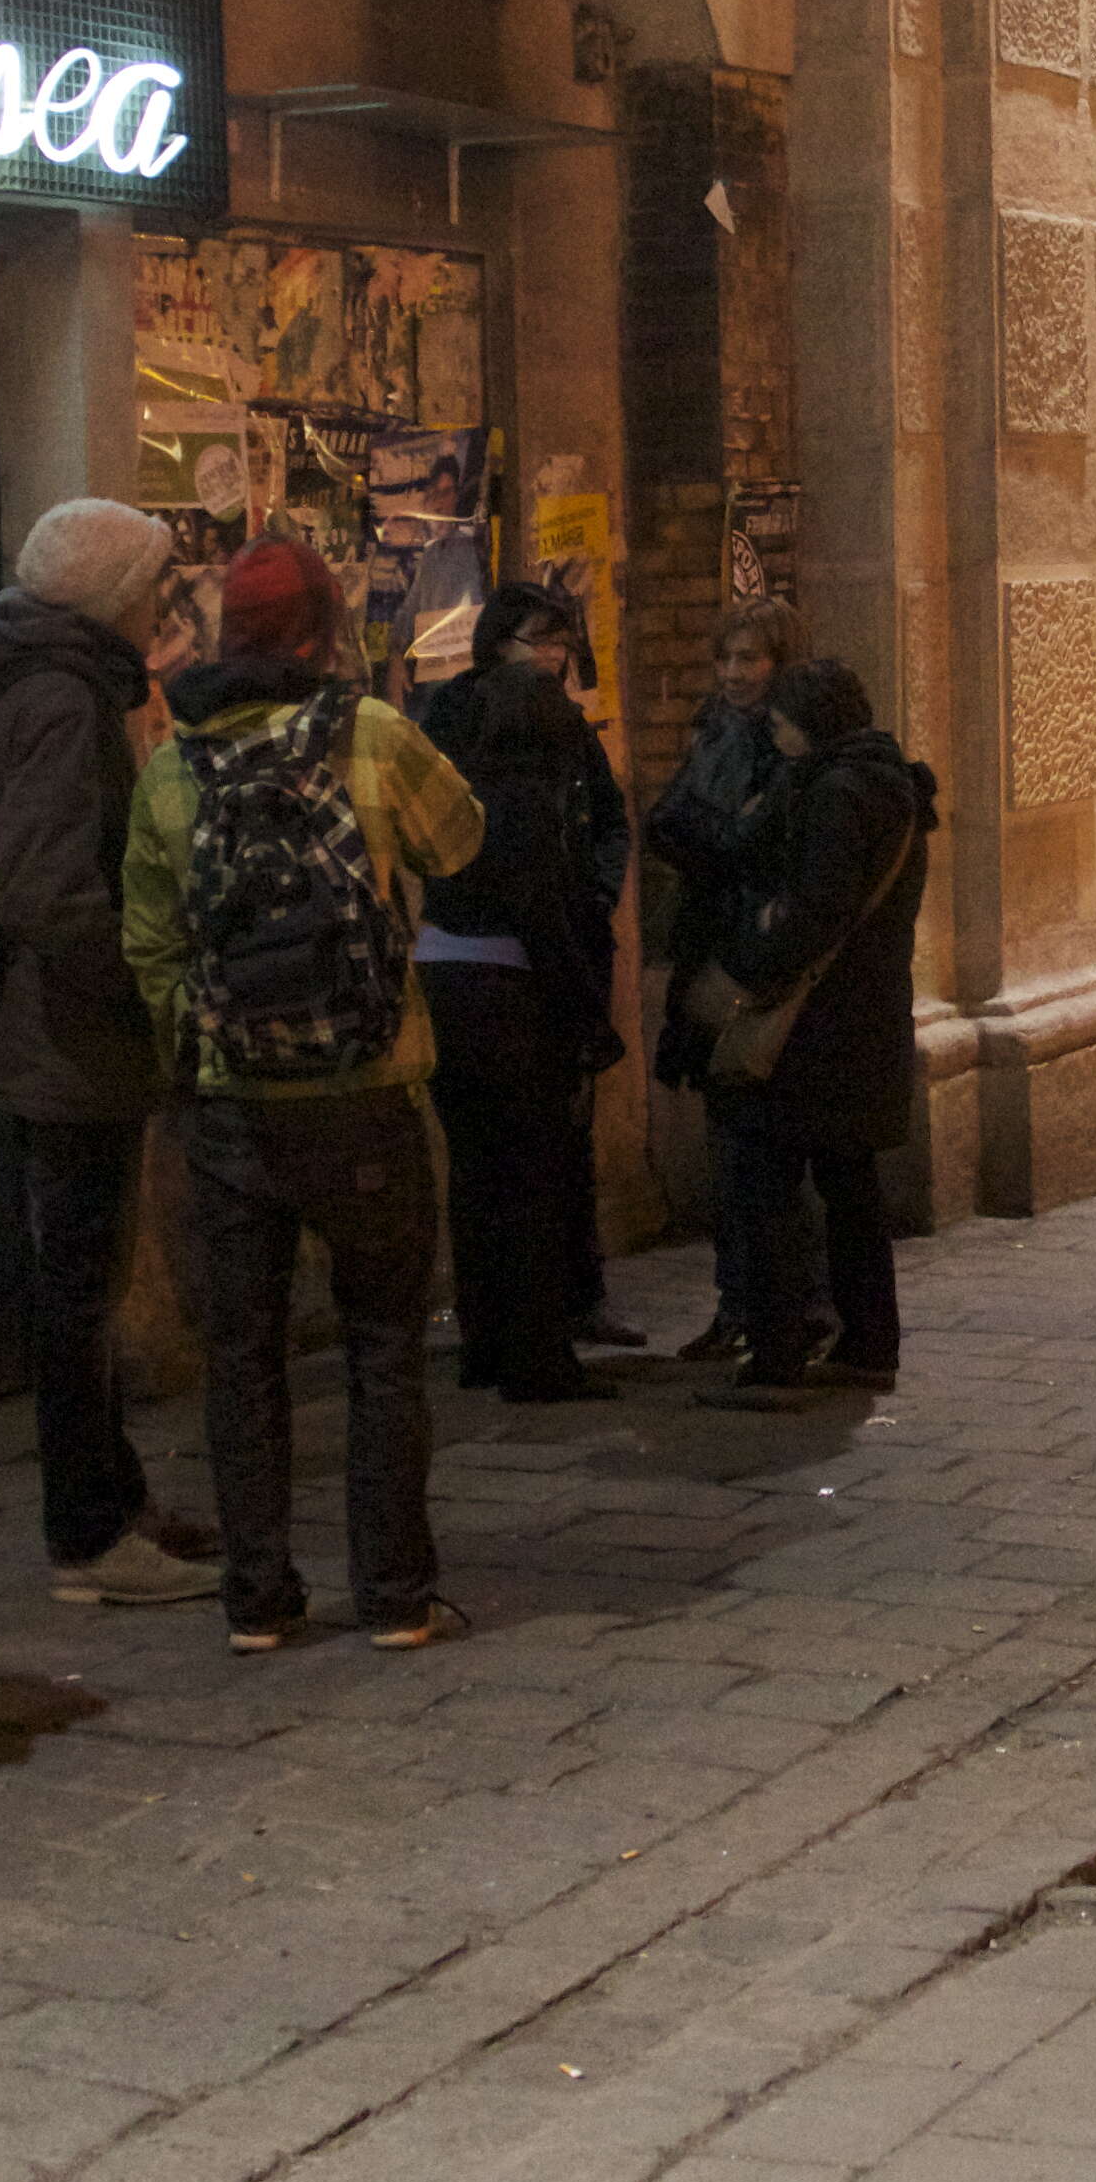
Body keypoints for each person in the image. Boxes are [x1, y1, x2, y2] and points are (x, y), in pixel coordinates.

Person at [122, 537, 488, 1650]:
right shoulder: (367, 734)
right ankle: (395, 1598)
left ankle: (258, 1601)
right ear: (324, 633)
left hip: (235, 1104)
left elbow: (150, 942)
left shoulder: (173, 768)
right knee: (383, 1347)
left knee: (243, 1359)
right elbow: (461, 841)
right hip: (366, 1087)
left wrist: (202, 1042)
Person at [0, 498, 223, 1607]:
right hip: (69, 1047)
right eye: (156, 581)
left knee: (85, 1285)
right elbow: (47, 893)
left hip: (63, 1040)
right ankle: (89, 1537)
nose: (168, 599)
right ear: (113, 594)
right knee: (75, 1292)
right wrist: (144, 981)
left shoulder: (50, 681)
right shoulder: (60, 700)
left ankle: (115, 1501)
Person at [693, 657, 935, 1411]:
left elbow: (814, 915)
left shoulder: (835, 794)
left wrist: (752, 955)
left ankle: (777, 1355)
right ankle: (868, 1345)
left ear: (811, 721)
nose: (774, 732)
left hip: (817, 1028)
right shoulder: (892, 784)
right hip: (866, 1017)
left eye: (782, 720)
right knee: (849, 1182)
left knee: (765, 1179)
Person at [411, 585, 628, 1406]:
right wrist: (581, 1000)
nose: (555, 659)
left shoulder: (461, 764)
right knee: (530, 1172)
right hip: (508, 979)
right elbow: (541, 904)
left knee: (479, 1173)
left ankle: (488, 1343)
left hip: (445, 968)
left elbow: (607, 826)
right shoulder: (525, 779)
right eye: (541, 642)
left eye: (561, 643)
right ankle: (536, 1356)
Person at [641, 600, 795, 1361]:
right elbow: (667, 824)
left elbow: (749, 844)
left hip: (749, 953)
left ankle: (774, 1308)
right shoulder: (715, 731)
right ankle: (741, 1303)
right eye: (725, 658)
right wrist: (714, 836)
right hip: (708, 940)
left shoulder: (785, 746)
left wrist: (712, 837)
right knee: (727, 1135)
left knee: (757, 1140)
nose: (733, 674)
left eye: (749, 658)